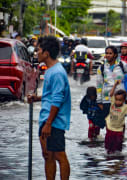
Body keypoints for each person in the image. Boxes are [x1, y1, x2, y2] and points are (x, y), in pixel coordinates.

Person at [27, 36, 71, 180]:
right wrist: (38, 98)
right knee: (47, 155)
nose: (36, 53)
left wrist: (48, 123)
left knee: (59, 155)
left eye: (38, 50)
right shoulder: (51, 70)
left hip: (54, 122)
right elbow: (52, 96)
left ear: (46, 53)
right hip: (48, 119)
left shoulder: (57, 72)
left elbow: (58, 100)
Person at [96, 46, 127, 120]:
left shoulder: (122, 65)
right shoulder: (101, 68)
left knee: (120, 123)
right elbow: (99, 86)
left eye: (110, 53)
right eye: (107, 53)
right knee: (108, 124)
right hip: (106, 100)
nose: (108, 55)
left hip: (120, 99)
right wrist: (99, 101)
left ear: (115, 55)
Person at [105, 80, 127, 154]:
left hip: (119, 131)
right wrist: (115, 85)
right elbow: (111, 94)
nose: (117, 102)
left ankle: (118, 160)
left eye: (120, 100)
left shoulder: (125, 107)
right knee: (109, 147)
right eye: (116, 99)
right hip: (110, 129)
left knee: (118, 147)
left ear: (123, 100)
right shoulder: (113, 104)